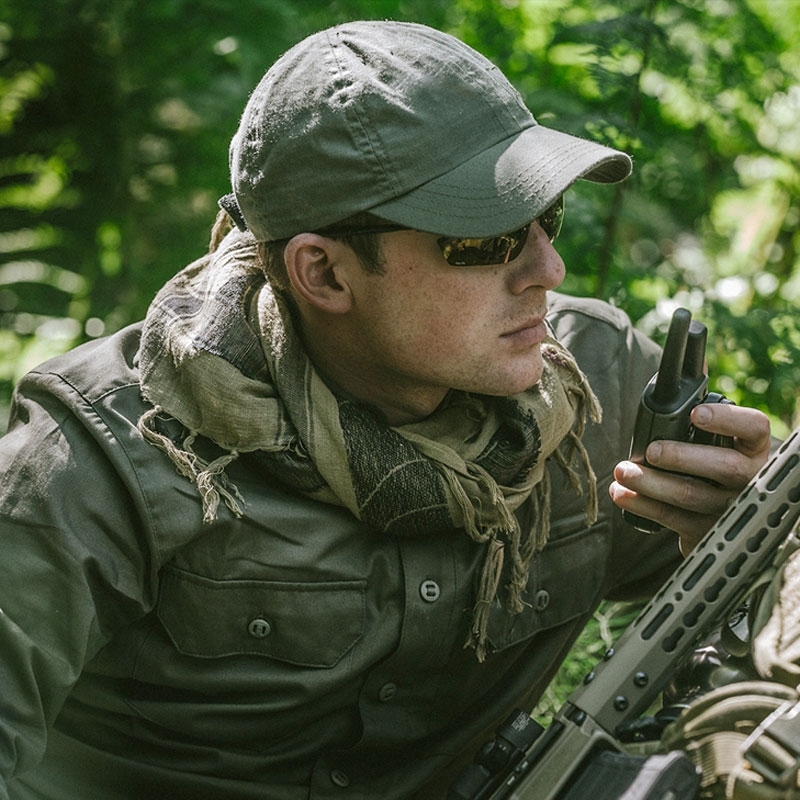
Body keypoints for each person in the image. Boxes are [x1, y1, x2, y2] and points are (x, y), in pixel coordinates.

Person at [0, 19, 772, 800]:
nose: (549, 266)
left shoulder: (593, 382)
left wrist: (748, 541)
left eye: (548, 219)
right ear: (325, 274)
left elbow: (754, 633)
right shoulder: (100, 457)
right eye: (488, 240)